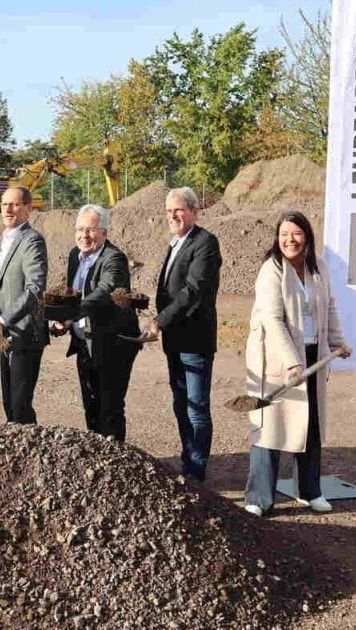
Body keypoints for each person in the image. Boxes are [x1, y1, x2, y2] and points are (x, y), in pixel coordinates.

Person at [243, 212, 352, 516]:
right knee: (270, 427)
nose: (289, 240)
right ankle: (258, 498)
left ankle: (310, 490)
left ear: (307, 236)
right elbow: (272, 320)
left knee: (311, 423)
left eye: (296, 234)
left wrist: (337, 340)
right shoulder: (271, 270)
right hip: (276, 359)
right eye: (284, 235)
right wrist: (291, 362)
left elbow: (329, 306)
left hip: (313, 354)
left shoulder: (319, 268)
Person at [49, 205, 141, 441]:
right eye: (80, 229)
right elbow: (74, 294)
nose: (84, 235)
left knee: (109, 409)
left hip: (113, 342)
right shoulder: (74, 255)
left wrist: (72, 315)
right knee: (90, 405)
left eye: (91, 230)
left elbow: (104, 292)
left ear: (104, 233)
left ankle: (116, 463)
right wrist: (62, 320)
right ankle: (98, 460)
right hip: (84, 342)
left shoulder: (115, 259)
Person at [151, 187, 222, 482]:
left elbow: (194, 290)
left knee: (196, 406)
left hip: (195, 339)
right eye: (169, 211)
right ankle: (187, 457)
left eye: (179, 210)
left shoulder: (205, 243)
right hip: (175, 339)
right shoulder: (176, 243)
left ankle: (196, 470)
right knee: (181, 403)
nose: (173, 215)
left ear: (194, 211)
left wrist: (160, 320)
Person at [0, 186, 48, 425]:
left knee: (20, 405)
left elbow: (34, 289)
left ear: (28, 209)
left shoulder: (32, 240)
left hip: (25, 333)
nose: (8, 209)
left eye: (14, 204)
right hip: (7, 335)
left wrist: (3, 320)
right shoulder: (6, 238)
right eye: (4, 205)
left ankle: (31, 456)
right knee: (9, 403)